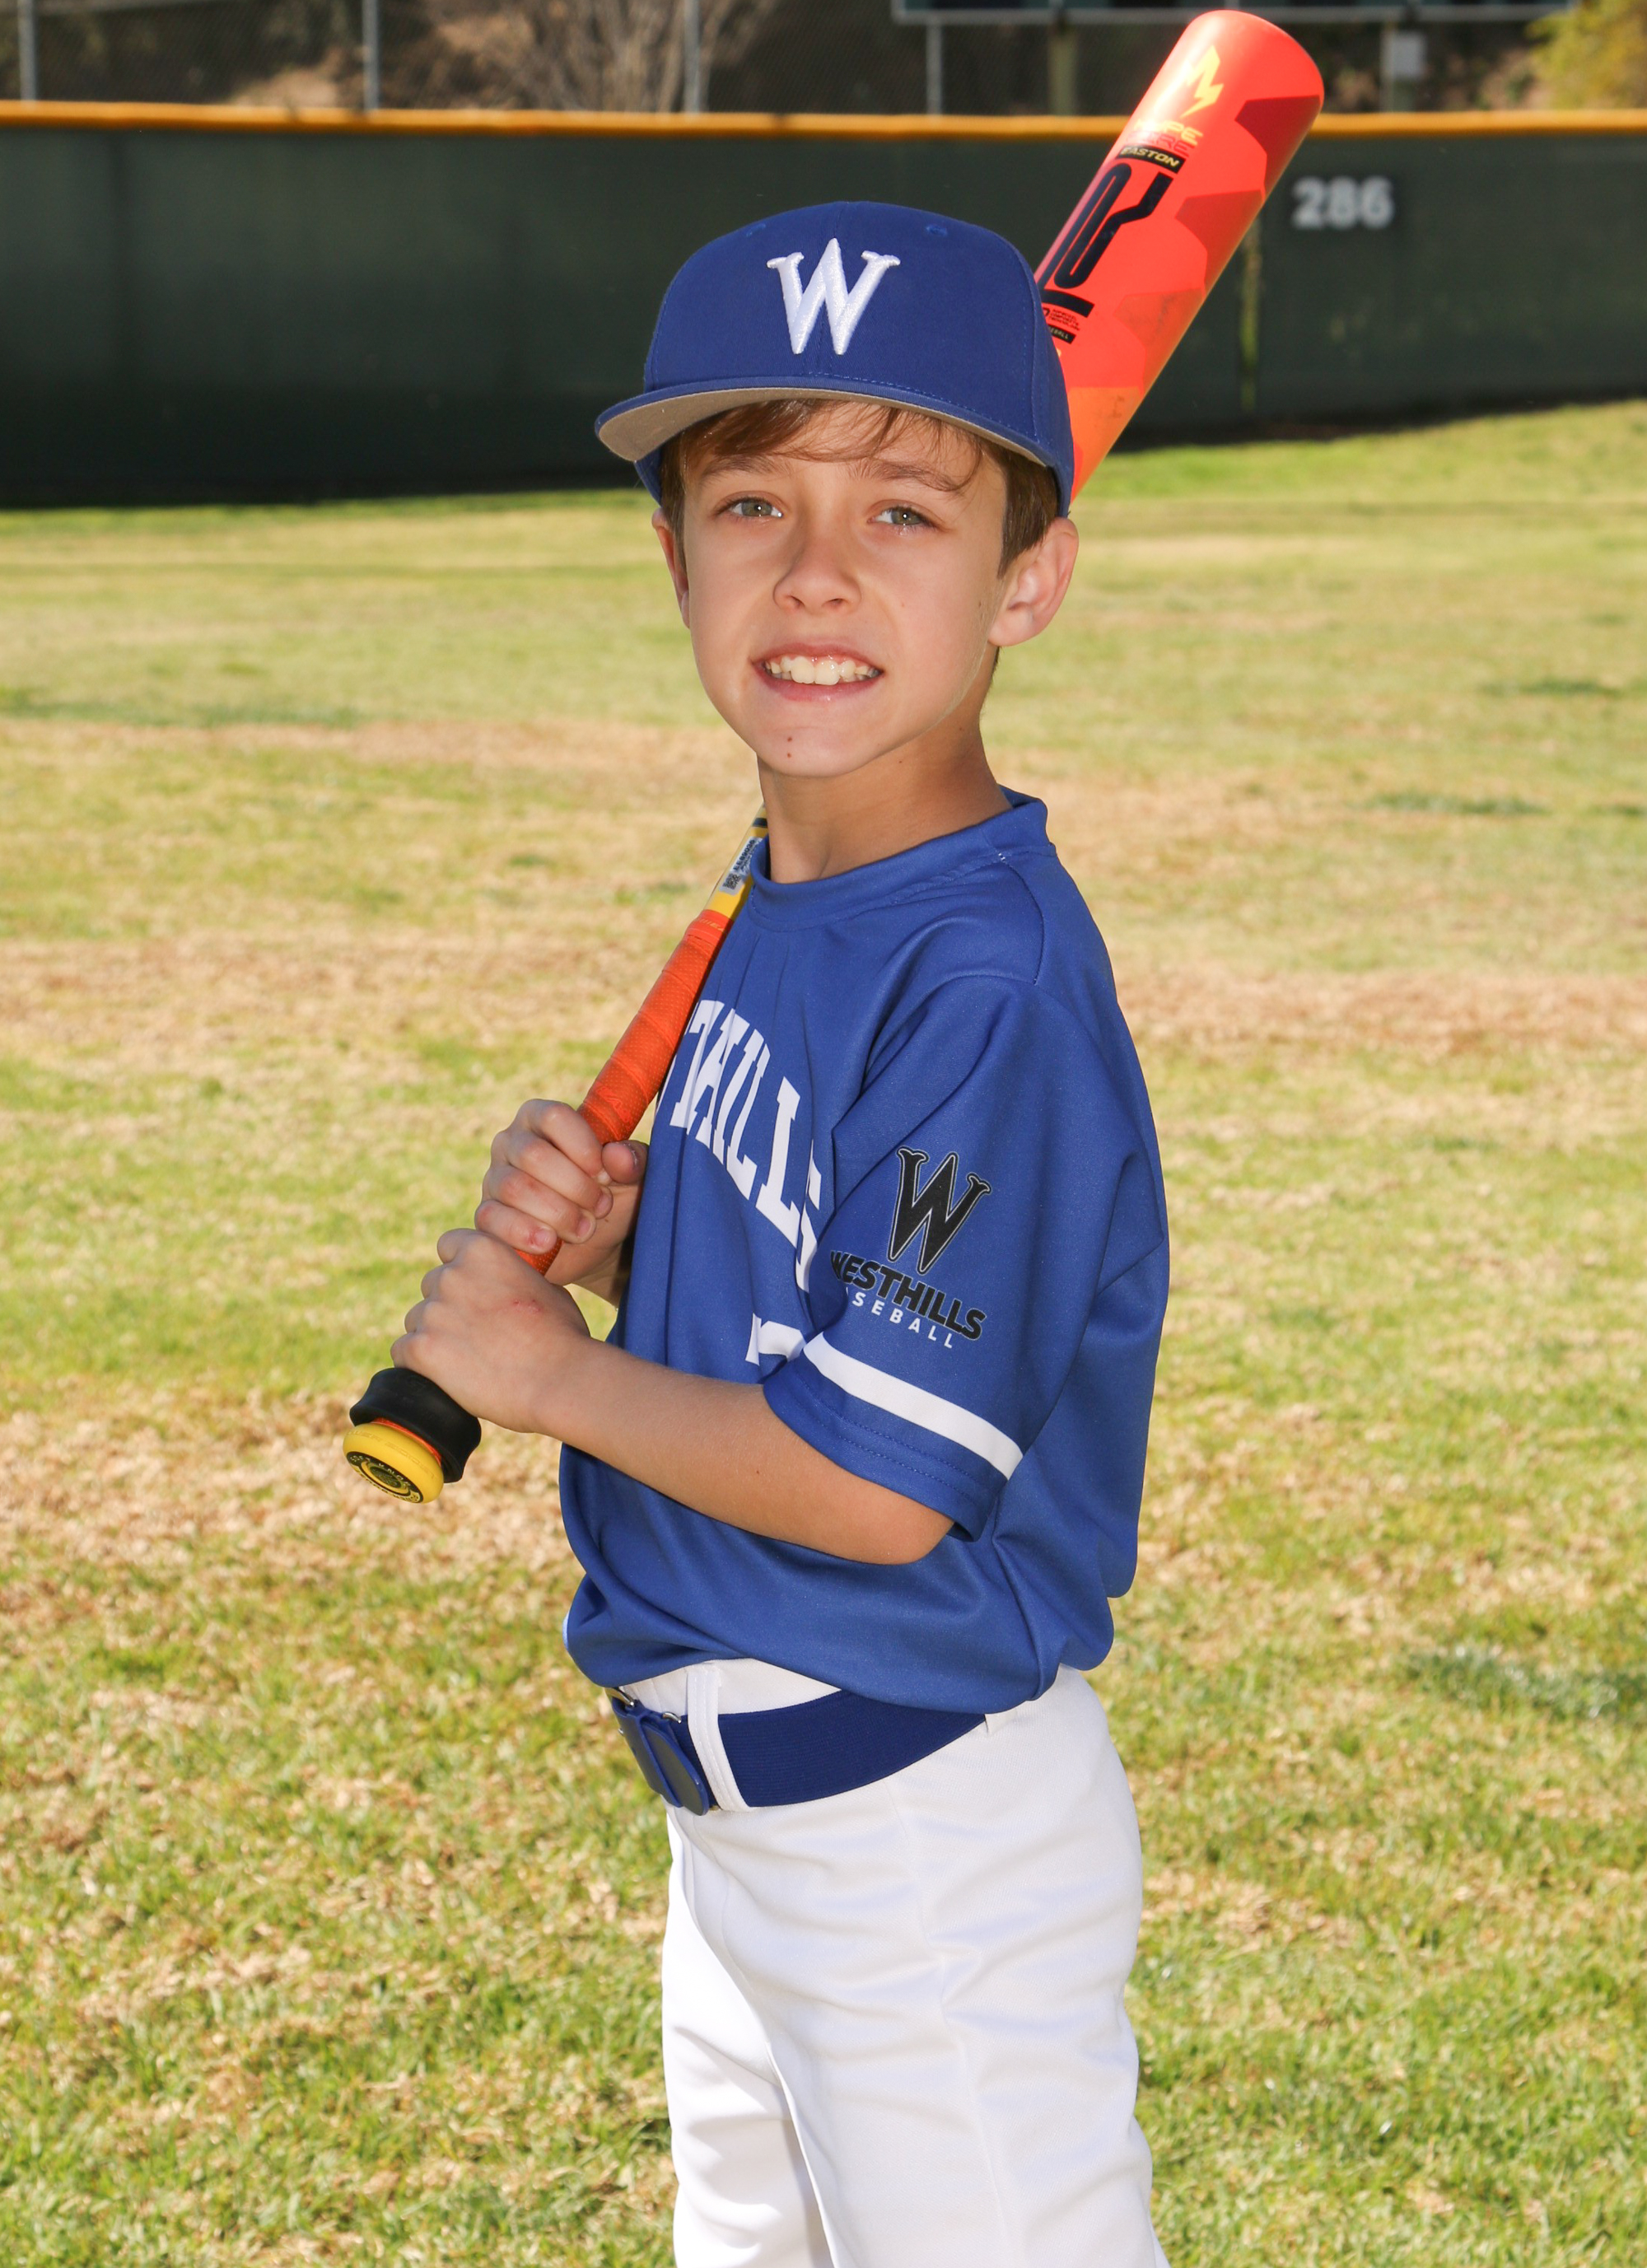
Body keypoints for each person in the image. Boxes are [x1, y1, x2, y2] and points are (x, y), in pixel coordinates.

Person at [393, 202, 1171, 2268]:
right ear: (675, 558)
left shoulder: (985, 981)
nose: (816, 570)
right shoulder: (793, 886)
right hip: (746, 1834)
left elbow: (874, 1478)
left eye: (906, 510)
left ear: (1028, 580)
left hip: (916, 1835)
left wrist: (552, 1377)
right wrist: (640, 1233)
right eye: (752, 501)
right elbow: (808, 1275)